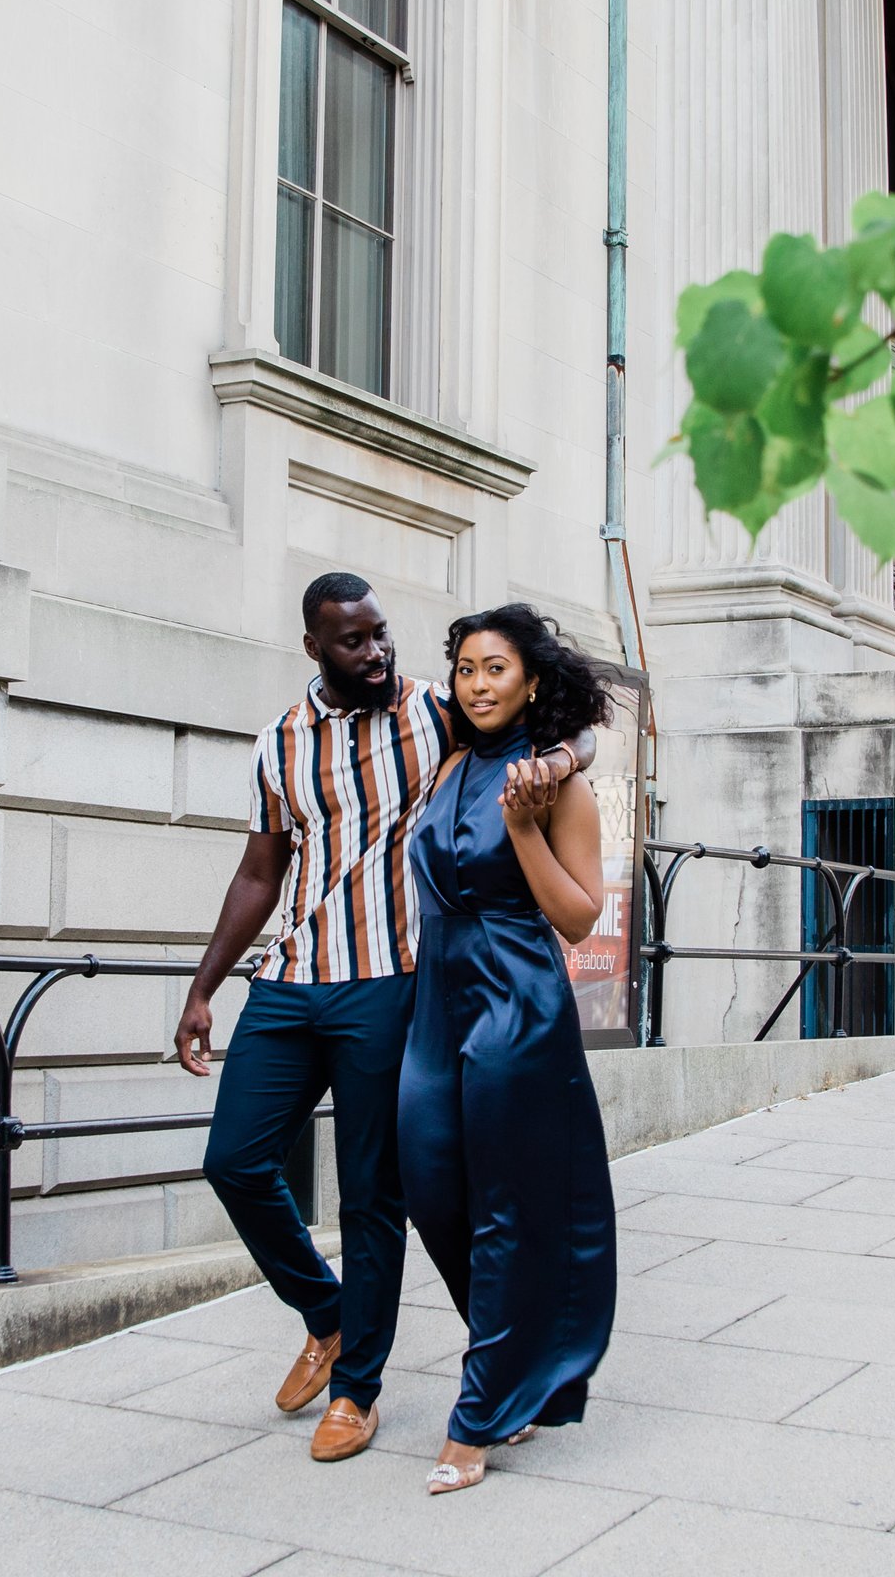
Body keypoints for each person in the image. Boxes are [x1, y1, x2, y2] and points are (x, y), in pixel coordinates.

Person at [174, 574, 593, 1465]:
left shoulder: (435, 712)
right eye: (354, 642)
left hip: (390, 982)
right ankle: (326, 1316)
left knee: (372, 1194)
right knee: (235, 1161)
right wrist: (204, 986)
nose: (376, 653)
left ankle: (357, 1390)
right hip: (291, 978)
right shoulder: (280, 741)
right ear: (315, 648)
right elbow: (259, 873)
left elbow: (559, 724)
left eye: (382, 635)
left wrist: (554, 766)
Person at [399, 603, 618, 1496]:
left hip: (516, 998)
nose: (479, 683)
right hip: (434, 1002)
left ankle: (480, 1411)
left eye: (497, 668)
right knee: (429, 1185)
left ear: (531, 681)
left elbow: (577, 917)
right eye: (466, 669)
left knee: (503, 1209)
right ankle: (522, 1353)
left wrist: (525, 823)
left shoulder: (557, 785)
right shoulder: (450, 758)